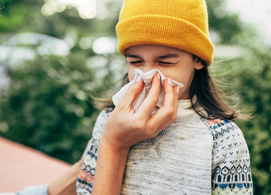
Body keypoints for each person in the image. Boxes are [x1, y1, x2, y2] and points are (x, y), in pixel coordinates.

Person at [9, 0, 253, 194]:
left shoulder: (223, 138)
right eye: (135, 61)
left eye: (165, 62)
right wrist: (112, 142)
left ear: (198, 59)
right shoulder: (110, 120)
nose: (147, 75)